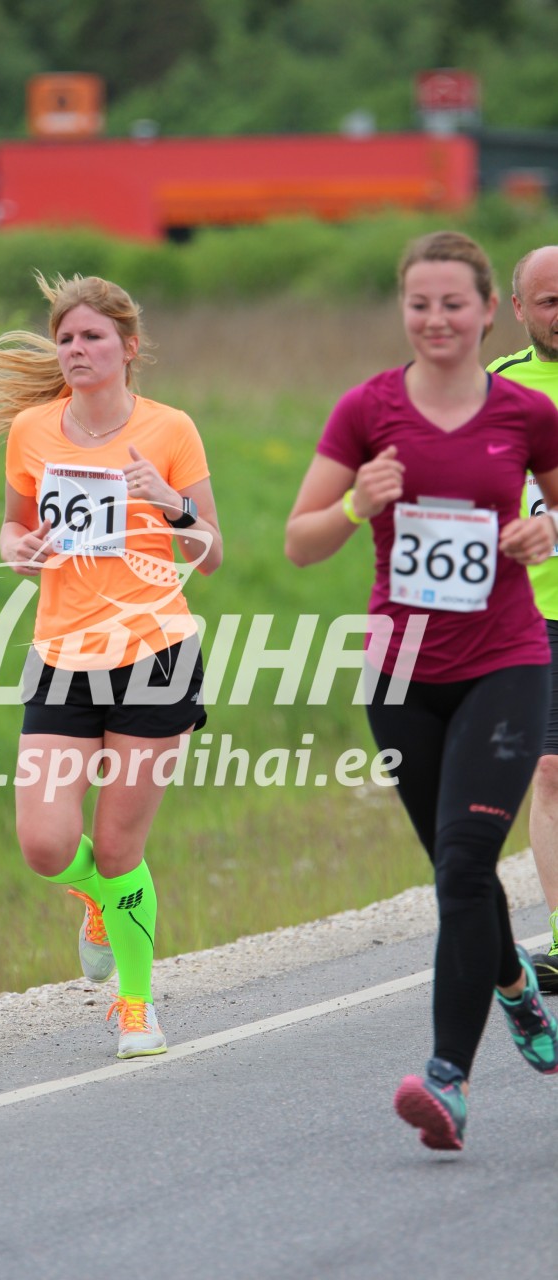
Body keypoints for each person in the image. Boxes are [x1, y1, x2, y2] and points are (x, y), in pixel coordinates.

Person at [285, 230, 558, 1152]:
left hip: (506, 661)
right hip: (400, 673)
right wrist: (356, 503)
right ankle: (513, 984)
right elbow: (299, 540)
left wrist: (545, 530)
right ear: (404, 312)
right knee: (458, 872)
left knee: (464, 863)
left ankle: (447, 1079)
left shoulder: (525, 413)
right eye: (418, 304)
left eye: (451, 303)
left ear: (486, 312)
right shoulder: (366, 411)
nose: (435, 319)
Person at [0, 273, 222, 1059]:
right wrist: (20, 551)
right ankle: (100, 903)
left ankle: (135, 1007)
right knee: (45, 844)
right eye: (66, 338)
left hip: (153, 655)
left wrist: (168, 502)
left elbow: (209, 552)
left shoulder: (170, 428)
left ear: (127, 348)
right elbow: (11, 529)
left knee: (117, 849)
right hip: (62, 656)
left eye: (92, 337)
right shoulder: (32, 430)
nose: (76, 349)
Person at [487, 246, 558, 992]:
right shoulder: (498, 389)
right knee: (550, 769)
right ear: (518, 309)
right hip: (539, 612)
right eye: (549, 302)